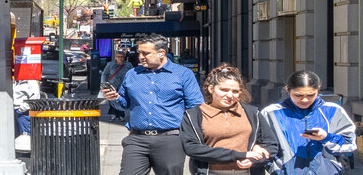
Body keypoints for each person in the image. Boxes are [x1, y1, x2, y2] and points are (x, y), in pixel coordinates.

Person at [100, 33, 206, 175]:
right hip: (137, 138)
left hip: (170, 139)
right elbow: (124, 104)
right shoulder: (132, 74)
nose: (141, 57)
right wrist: (114, 98)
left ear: (161, 53)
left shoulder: (183, 74)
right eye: (139, 53)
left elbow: (195, 107)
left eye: (146, 53)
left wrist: (192, 136)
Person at [180, 64, 281, 172]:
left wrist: (255, 159)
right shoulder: (194, 115)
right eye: (224, 90)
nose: (229, 95)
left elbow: (271, 144)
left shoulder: (253, 114)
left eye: (235, 91)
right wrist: (240, 155)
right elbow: (192, 148)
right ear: (211, 89)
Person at [259, 69, 358, 175]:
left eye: (311, 95)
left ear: (318, 90)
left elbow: (350, 143)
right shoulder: (271, 113)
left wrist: (326, 137)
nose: (305, 100)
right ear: (287, 90)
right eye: (298, 95)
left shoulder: (333, 110)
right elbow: (262, 145)